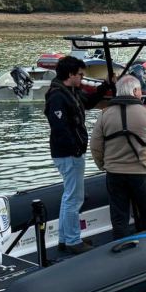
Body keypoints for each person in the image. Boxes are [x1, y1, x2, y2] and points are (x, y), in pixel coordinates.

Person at [44, 56, 110, 255]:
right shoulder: (57, 96)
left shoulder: (71, 91)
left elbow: (88, 103)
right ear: (71, 74)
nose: (82, 78)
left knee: (69, 196)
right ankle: (73, 240)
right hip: (68, 154)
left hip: (70, 152)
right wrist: (75, 148)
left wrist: (105, 86)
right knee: (74, 198)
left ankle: (65, 238)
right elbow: (60, 128)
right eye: (80, 74)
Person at [90, 76, 146, 239]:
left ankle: (122, 247)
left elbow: (95, 145)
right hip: (141, 173)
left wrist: (103, 165)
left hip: (114, 173)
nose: (141, 93)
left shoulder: (104, 114)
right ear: (134, 91)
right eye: (140, 90)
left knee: (119, 218)